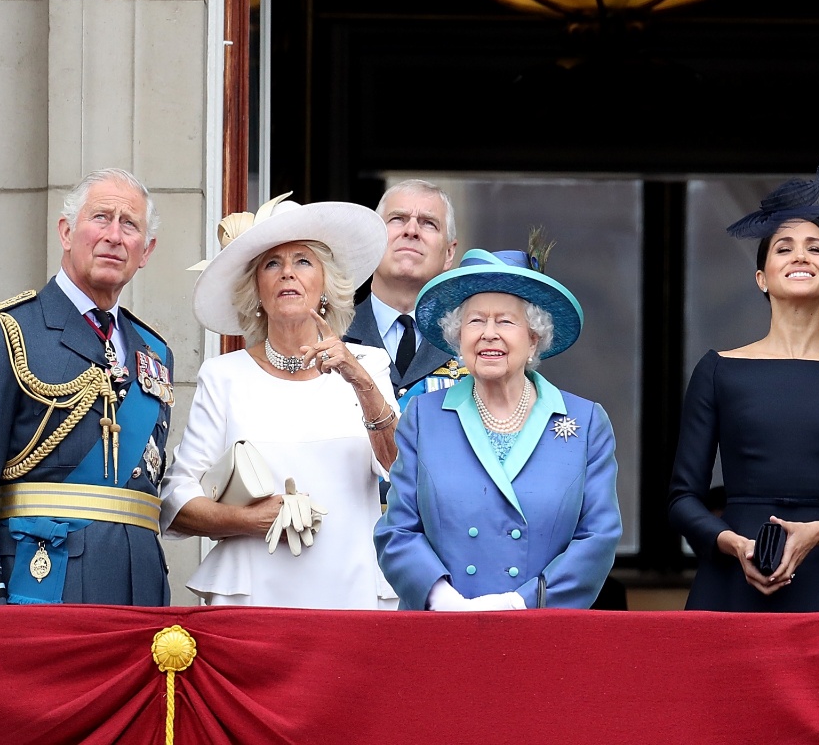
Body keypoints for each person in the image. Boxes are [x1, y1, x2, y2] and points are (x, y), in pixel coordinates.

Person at [666, 162, 819, 612]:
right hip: (733, 579)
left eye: (815, 248)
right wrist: (734, 545)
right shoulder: (719, 370)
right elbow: (682, 500)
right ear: (761, 278)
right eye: (784, 248)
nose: (800, 256)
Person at [0, 168, 174, 606]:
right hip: (42, 586)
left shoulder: (155, 351)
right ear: (66, 232)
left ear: (146, 251)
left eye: (130, 224)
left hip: (139, 588)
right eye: (101, 217)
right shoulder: (6, 334)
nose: (114, 235)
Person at [159, 194, 400, 608]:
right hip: (254, 597)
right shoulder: (224, 375)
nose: (288, 273)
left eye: (303, 261)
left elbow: (401, 467)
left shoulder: (369, 364)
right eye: (273, 263)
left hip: (352, 591)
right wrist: (248, 520)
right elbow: (175, 502)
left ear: (326, 283)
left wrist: (358, 379)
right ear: (257, 289)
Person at [375, 244, 622, 611]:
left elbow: (598, 538)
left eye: (505, 321)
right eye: (475, 321)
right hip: (440, 629)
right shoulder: (423, 417)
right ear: (459, 338)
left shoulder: (585, 423)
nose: (489, 333)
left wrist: (518, 603)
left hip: (540, 631)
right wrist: (443, 601)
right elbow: (397, 530)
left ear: (534, 337)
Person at [344, 179, 464, 408]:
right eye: (398, 219)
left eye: (428, 223)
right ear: (373, 238)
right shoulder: (331, 333)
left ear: (449, 253)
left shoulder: (469, 341)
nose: (411, 231)